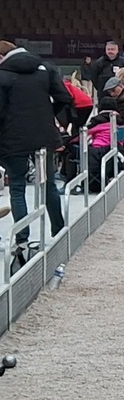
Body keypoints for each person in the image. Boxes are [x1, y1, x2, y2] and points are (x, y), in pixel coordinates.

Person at [0, 40, 72, 246]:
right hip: (44, 135)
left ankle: (22, 239)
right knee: (48, 184)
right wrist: (48, 115)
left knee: (17, 186)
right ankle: (59, 230)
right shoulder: (46, 69)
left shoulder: (2, 75)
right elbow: (64, 97)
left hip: (13, 138)